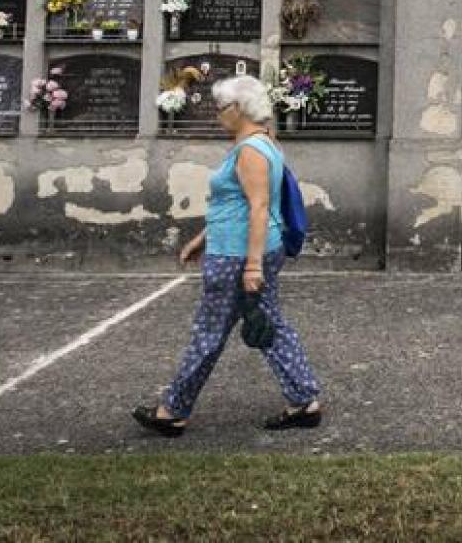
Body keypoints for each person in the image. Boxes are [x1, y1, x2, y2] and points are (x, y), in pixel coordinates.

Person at [132, 75, 323, 435]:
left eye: (221, 108)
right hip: (250, 247)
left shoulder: (250, 150)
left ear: (239, 109)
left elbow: (259, 206)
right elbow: (233, 204)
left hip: (238, 255)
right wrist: (202, 238)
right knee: (270, 324)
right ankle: (304, 400)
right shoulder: (265, 142)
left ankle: (172, 410)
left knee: (209, 331)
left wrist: (251, 266)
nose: (217, 115)